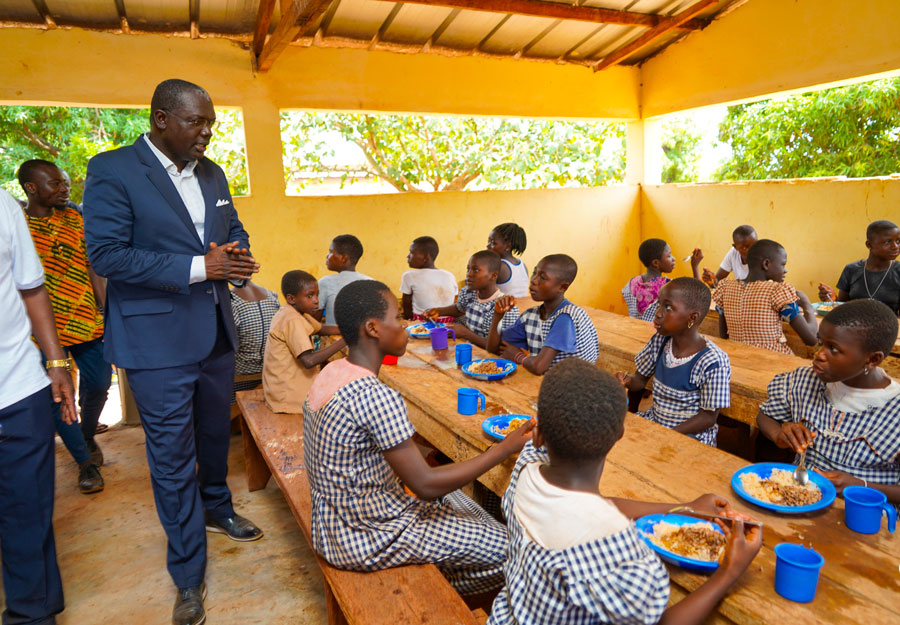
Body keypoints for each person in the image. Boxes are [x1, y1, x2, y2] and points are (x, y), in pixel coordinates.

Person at [83, 78, 263, 625]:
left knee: (214, 435)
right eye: (196, 122)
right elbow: (109, 254)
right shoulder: (112, 169)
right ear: (162, 119)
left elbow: (233, 230)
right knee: (170, 455)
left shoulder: (213, 173)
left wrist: (237, 260)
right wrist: (199, 268)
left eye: (210, 123)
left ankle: (216, 508)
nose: (206, 132)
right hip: (154, 340)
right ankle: (188, 574)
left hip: (212, 333)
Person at [303, 279, 534, 597]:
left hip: (332, 524)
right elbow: (425, 486)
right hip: (369, 535)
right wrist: (505, 447)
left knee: (466, 504)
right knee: (516, 551)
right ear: (373, 328)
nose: (406, 324)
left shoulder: (332, 371)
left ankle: (445, 567)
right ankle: (438, 595)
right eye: (398, 317)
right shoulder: (375, 395)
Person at [488, 359, 763, 625]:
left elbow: (595, 506)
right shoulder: (623, 552)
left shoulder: (526, 470)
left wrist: (685, 508)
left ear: (537, 434)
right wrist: (729, 571)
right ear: (619, 435)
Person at [0, 187, 76, 625]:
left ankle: (32, 615)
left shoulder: (3, 207)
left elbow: (31, 290)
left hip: (16, 388)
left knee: (26, 515)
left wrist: (55, 361)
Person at [19, 158, 110, 494]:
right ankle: (85, 462)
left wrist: (105, 308)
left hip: (86, 320)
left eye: (64, 182)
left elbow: (91, 265)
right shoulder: (19, 224)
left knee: (99, 383)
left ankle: (86, 433)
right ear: (31, 187)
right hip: (42, 330)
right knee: (60, 396)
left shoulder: (75, 216)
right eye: (55, 183)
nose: (64, 188)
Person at [756, 299, 900, 507]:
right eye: (820, 343)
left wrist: (862, 485)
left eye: (834, 349)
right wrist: (778, 433)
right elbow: (766, 415)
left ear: (872, 359)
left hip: (864, 517)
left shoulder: (894, 411)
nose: (819, 355)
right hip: (800, 501)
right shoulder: (803, 380)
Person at [617, 278, 731, 447]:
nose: (658, 313)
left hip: (690, 436)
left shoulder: (713, 361)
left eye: (668, 307)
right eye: (659, 305)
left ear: (692, 318)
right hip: (657, 423)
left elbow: (708, 417)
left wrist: (668, 434)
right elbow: (639, 380)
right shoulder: (660, 341)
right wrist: (625, 380)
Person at [487, 254, 599, 375]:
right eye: (534, 273)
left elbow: (539, 367)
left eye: (543, 277)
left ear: (562, 287)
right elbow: (493, 348)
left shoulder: (566, 317)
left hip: (573, 387)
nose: (534, 280)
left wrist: (518, 357)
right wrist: (498, 314)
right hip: (548, 383)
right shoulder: (531, 316)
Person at [713, 239, 818, 355]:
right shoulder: (777, 291)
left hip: (735, 356)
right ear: (766, 264)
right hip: (771, 359)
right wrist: (807, 304)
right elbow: (811, 339)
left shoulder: (726, 288)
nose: (785, 270)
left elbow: (723, 336)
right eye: (783, 264)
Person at [263, 270, 346, 413]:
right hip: (288, 398)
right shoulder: (292, 319)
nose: (316, 300)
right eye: (309, 296)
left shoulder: (297, 313)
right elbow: (309, 361)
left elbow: (322, 329)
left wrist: (350, 327)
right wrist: (345, 340)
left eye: (317, 295)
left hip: (280, 391)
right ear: (291, 299)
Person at [424, 250, 519, 349]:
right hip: (468, 348)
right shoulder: (468, 292)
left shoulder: (504, 307)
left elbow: (499, 348)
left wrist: (465, 333)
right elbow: (459, 309)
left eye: (476, 270)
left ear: (493, 276)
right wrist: (438, 311)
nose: (469, 274)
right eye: (468, 269)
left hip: (489, 359)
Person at [818, 220, 900, 314]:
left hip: (889, 326)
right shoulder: (851, 270)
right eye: (887, 242)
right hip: (853, 325)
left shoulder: (897, 271)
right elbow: (843, 307)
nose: (895, 246)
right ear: (869, 245)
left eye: (898, 241)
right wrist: (832, 299)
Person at [623, 238, 702, 322]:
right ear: (656, 263)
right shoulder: (669, 286)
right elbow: (698, 295)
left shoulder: (632, 282)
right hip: (657, 333)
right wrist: (695, 266)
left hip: (633, 329)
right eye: (669, 256)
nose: (673, 258)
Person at [230, 278, 281, 402]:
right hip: (272, 370)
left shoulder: (232, 301)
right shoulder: (272, 297)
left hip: (242, 373)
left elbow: (230, 342)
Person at [317, 234, 372, 333]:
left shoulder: (326, 282)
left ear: (343, 258)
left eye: (330, 252)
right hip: (364, 342)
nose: (327, 256)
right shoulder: (371, 282)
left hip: (334, 344)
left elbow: (314, 322)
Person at [400, 235, 458, 322]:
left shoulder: (409, 276)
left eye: (411, 253)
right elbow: (454, 300)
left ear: (425, 258)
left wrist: (409, 321)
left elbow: (407, 305)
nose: (408, 256)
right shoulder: (449, 275)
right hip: (448, 322)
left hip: (422, 322)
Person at [487, 223, 529, 298]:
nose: (488, 245)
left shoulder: (500, 266)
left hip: (505, 309)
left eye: (493, 243)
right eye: (488, 241)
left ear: (507, 246)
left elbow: (482, 290)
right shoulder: (523, 265)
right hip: (522, 307)